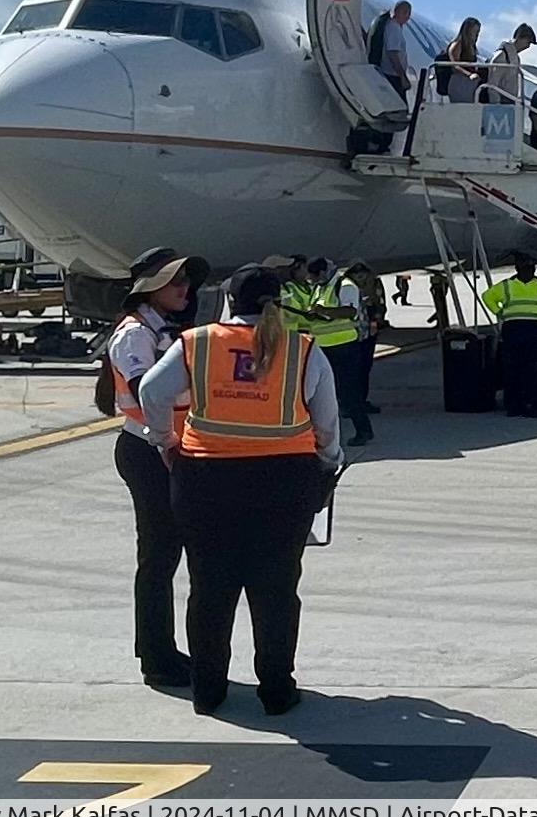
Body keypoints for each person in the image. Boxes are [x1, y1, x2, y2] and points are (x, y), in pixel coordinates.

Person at [138, 264, 342, 716]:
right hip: (284, 483)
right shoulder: (302, 349)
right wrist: (327, 462)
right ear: (280, 304)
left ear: (229, 300)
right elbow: (327, 422)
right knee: (276, 589)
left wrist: (165, 441)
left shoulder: (197, 343)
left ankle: (208, 689)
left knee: (210, 588)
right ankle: (276, 689)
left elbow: (151, 390)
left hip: (207, 480)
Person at [107, 246, 209, 689]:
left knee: (167, 555)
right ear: (150, 289)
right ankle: (156, 655)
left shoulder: (166, 329)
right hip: (151, 451)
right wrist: (169, 443)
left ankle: (161, 649)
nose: (185, 289)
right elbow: (146, 393)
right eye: (175, 282)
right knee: (159, 557)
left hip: (169, 449)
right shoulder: (135, 335)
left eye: (187, 281)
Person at [301, 258, 375, 447]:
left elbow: (349, 312)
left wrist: (323, 311)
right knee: (327, 392)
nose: (313, 280)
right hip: (323, 346)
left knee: (348, 391)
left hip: (344, 346)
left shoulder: (345, 285)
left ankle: (364, 430)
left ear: (323, 272)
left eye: (315, 276)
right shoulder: (321, 286)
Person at [481, 252, 537, 417]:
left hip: (517, 329)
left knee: (516, 368)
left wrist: (500, 312)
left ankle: (516, 406)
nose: (528, 271)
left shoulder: (508, 285)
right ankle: (529, 405)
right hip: (528, 329)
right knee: (527, 368)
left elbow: (488, 297)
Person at [345, 261, 387, 415]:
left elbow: (380, 304)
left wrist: (378, 320)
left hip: (367, 333)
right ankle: (351, 403)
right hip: (352, 335)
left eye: (363, 274)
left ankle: (360, 401)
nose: (361, 277)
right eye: (357, 275)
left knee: (363, 369)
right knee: (352, 371)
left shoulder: (373, 285)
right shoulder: (345, 288)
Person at [366, 0, 413, 97]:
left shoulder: (392, 26)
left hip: (390, 74)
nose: (407, 17)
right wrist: (402, 77)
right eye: (405, 12)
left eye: (408, 13)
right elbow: (392, 53)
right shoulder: (394, 28)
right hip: (392, 75)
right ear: (396, 11)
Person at [487, 23, 536, 102]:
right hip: (501, 100)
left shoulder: (514, 58)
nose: (528, 46)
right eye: (528, 42)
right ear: (520, 38)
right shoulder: (502, 56)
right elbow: (493, 85)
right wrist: (495, 105)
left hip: (509, 100)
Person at [444, 18, 483, 103]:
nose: (476, 35)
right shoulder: (458, 44)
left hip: (470, 83)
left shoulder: (472, 47)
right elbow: (454, 65)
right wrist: (469, 74)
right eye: (474, 31)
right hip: (460, 81)